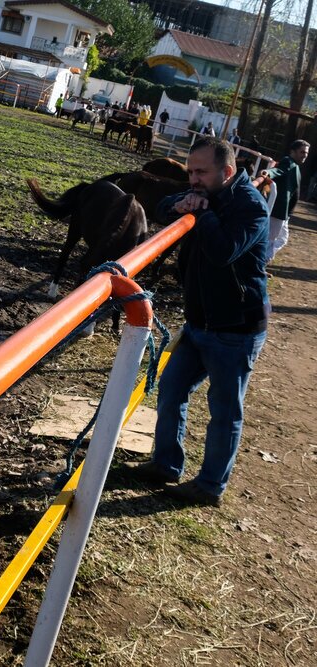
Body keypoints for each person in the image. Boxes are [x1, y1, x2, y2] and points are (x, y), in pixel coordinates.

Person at [134, 138, 269, 506]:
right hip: (198, 323)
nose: (192, 178)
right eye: (190, 171)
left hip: (235, 328)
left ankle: (210, 486)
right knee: (171, 389)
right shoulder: (202, 191)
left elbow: (225, 251)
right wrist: (182, 203)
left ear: (226, 172)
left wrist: (202, 214)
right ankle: (165, 464)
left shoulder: (250, 207)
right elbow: (163, 205)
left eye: (200, 172)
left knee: (224, 412)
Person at [261, 139, 310, 262]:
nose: (304, 155)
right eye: (302, 152)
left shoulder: (295, 166)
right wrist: (268, 173)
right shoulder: (288, 162)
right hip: (279, 210)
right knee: (271, 239)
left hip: (285, 212)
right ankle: (259, 264)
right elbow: (278, 170)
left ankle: (262, 261)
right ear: (293, 151)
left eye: (306, 153)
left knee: (282, 238)